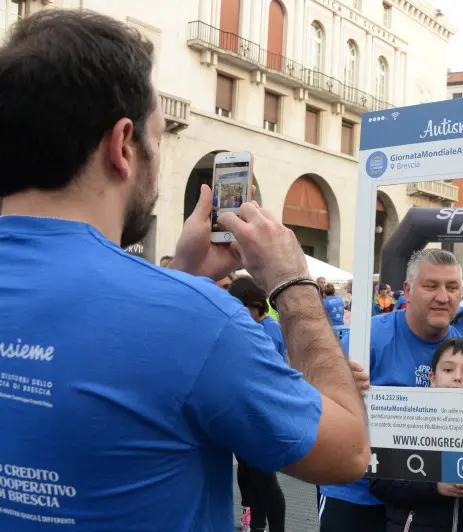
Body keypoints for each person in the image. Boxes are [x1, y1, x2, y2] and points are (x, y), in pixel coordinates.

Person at [0, 11, 369, 531]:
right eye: (158, 138)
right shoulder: (201, 321)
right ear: (123, 145)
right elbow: (347, 451)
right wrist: (292, 284)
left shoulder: (188, 309)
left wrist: (183, 275)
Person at [318, 249, 463, 532]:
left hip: (422, 500)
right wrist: (337, 387)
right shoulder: (366, 339)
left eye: (452, 287)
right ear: (408, 290)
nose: (443, 297)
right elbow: (320, 399)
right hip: (357, 494)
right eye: (431, 286)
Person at [368, 338, 463, 532]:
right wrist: (435, 486)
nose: (457, 378)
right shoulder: (406, 425)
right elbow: (379, 483)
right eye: (448, 370)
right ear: (432, 378)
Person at [228, 277, 288, 532]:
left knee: (265, 479)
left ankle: (275, 527)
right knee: (250, 474)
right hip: (245, 412)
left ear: (255, 304)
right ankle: (256, 525)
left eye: (243, 308)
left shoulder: (268, 330)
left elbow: (267, 373)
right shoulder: (249, 326)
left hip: (262, 413)